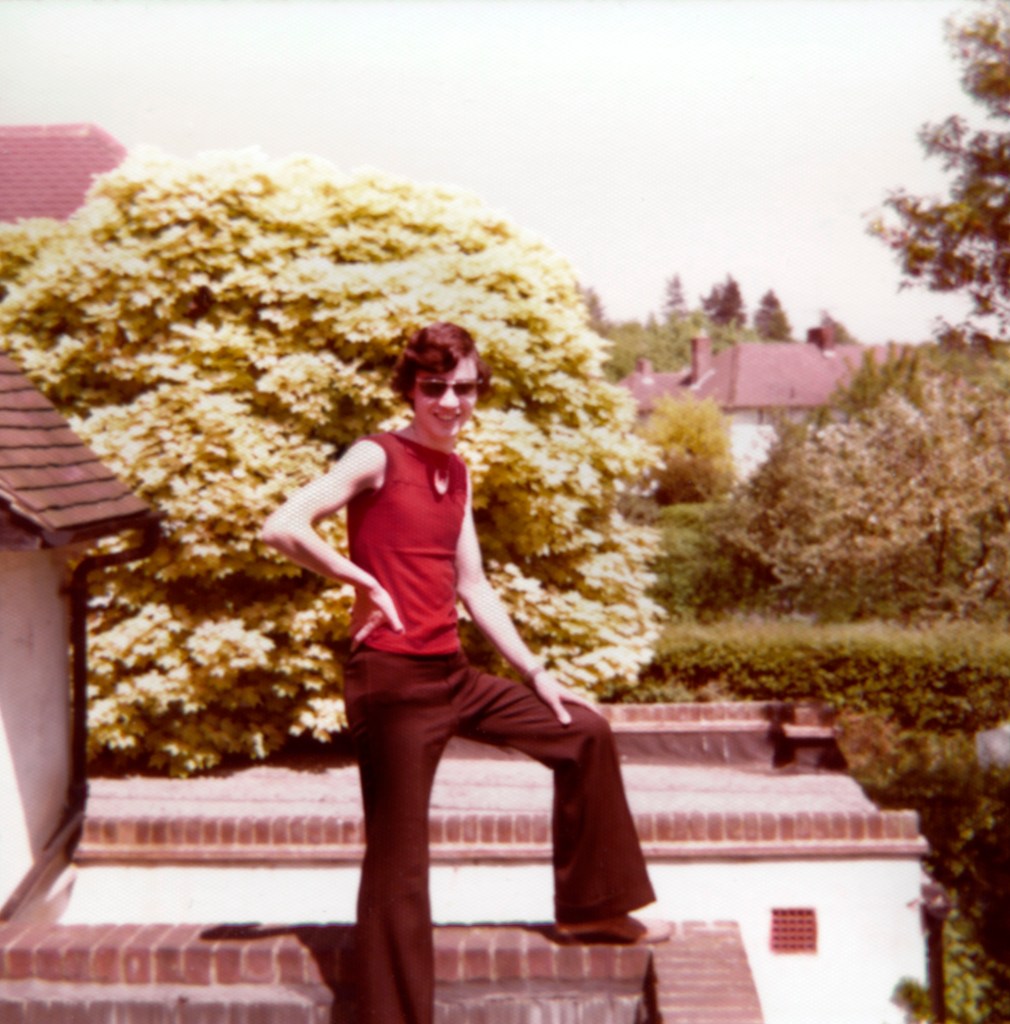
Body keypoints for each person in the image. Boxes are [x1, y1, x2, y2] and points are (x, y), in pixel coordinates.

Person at [261, 322, 665, 1024]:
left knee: (586, 732)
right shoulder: (376, 454)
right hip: (391, 684)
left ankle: (591, 909)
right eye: (435, 387)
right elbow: (284, 525)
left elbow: (473, 587)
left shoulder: (458, 472)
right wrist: (361, 579)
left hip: (453, 674)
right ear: (411, 390)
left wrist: (536, 672)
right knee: (400, 863)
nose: (451, 401)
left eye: (465, 387)